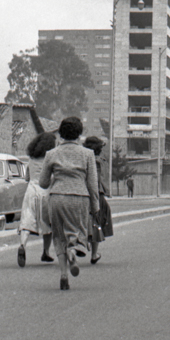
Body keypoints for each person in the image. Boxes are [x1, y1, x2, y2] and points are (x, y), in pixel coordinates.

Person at [39, 117, 99, 291]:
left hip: (57, 197)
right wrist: (96, 206)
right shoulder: (88, 154)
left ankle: (64, 274)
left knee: (58, 236)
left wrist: (57, 177)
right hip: (80, 197)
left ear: (61, 133)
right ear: (79, 133)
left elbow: (43, 183)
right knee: (77, 231)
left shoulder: (52, 154)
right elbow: (92, 184)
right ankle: (73, 252)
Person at [17, 132, 56, 267]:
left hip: (31, 191)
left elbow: (27, 178)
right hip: (46, 192)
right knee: (47, 223)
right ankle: (46, 252)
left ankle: (22, 245)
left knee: (27, 219)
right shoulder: (50, 158)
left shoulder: (31, 159)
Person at [83, 136, 114, 263]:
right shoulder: (97, 161)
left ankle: (86, 242)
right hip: (96, 193)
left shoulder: (84, 158)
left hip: (83, 193)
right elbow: (96, 180)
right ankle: (94, 253)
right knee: (97, 220)